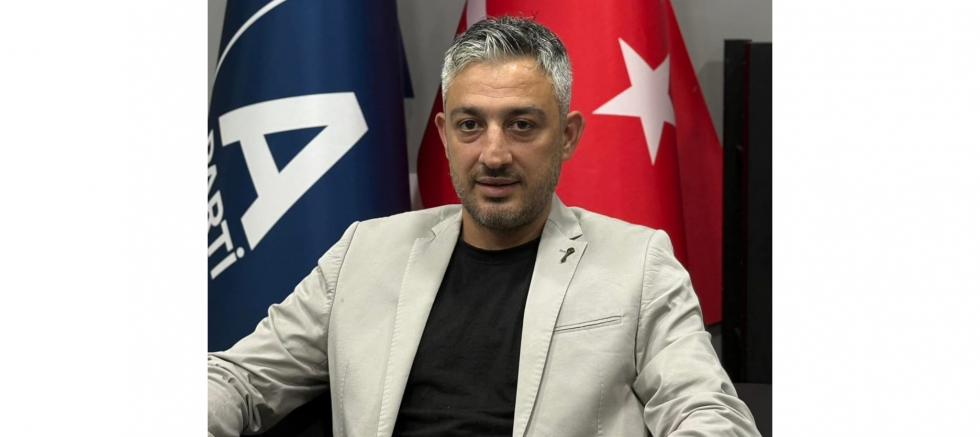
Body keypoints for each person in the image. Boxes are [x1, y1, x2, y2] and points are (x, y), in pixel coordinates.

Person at [208, 16, 760, 437]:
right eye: (471, 125)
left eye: (522, 125)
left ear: (567, 136)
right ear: (445, 134)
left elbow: (708, 412)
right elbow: (239, 379)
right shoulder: (363, 252)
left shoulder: (638, 264)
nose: (493, 154)